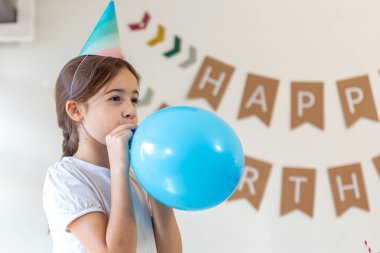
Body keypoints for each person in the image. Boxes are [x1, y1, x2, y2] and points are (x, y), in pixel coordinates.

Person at [43, 55, 182, 253]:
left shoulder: (136, 174)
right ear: (75, 110)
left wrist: (155, 178)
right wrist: (119, 169)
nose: (130, 110)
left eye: (134, 99)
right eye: (115, 98)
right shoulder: (64, 177)